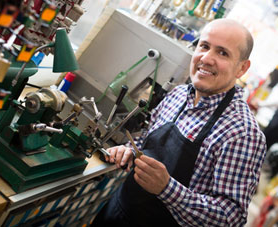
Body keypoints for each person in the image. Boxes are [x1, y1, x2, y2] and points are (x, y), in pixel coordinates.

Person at [91, 18, 267, 227]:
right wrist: (130, 150)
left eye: (223, 53)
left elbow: (229, 218)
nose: (207, 58)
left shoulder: (243, 134)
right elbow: (147, 139)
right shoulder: (179, 94)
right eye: (204, 46)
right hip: (117, 213)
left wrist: (167, 189)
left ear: (242, 69)